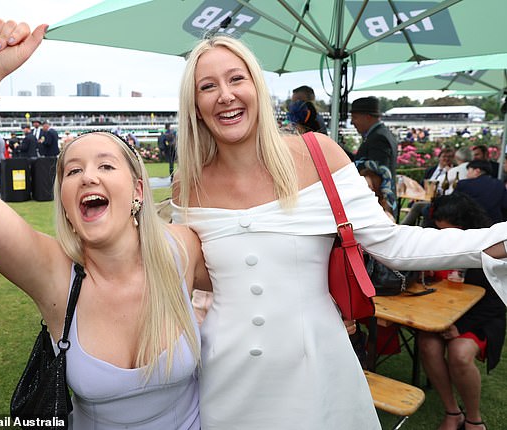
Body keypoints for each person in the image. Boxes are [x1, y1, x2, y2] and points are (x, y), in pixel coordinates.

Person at [171, 34, 507, 429]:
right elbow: (196, 275)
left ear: (257, 86)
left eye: (236, 79)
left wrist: (494, 241)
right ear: (194, 105)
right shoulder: (187, 184)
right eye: (207, 86)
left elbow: (395, 245)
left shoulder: (318, 154)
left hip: (315, 366)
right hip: (225, 373)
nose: (225, 95)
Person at [0, 17, 210, 429]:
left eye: (106, 165)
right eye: (72, 171)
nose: (89, 176)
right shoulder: (54, 275)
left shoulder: (182, 249)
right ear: (67, 204)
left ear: (138, 190)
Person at [418, 193, 506, 430]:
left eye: (451, 232)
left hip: (479, 316)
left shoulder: (489, 247)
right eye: (440, 231)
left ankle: (474, 420)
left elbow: (497, 301)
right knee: (427, 344)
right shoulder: (432, 241)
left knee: (459, 352)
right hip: (440, 314)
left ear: (467, 226)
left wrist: (460, 327)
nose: (445, 238)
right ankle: (452, 411)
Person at [350, 96, 398, 193]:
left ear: (368, 117)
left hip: (376, 203)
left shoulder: (379, 138)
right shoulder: (379, 134)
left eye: (355, 117)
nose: (352, 122)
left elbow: (376, 175)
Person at [455, 159, 507, 225]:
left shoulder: (464, 184)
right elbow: (505, 205)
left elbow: (454, 205)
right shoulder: (499, 184)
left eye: (469, 171)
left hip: (471, 224)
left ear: (477, 171)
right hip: (494, 225)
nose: (467, 174)